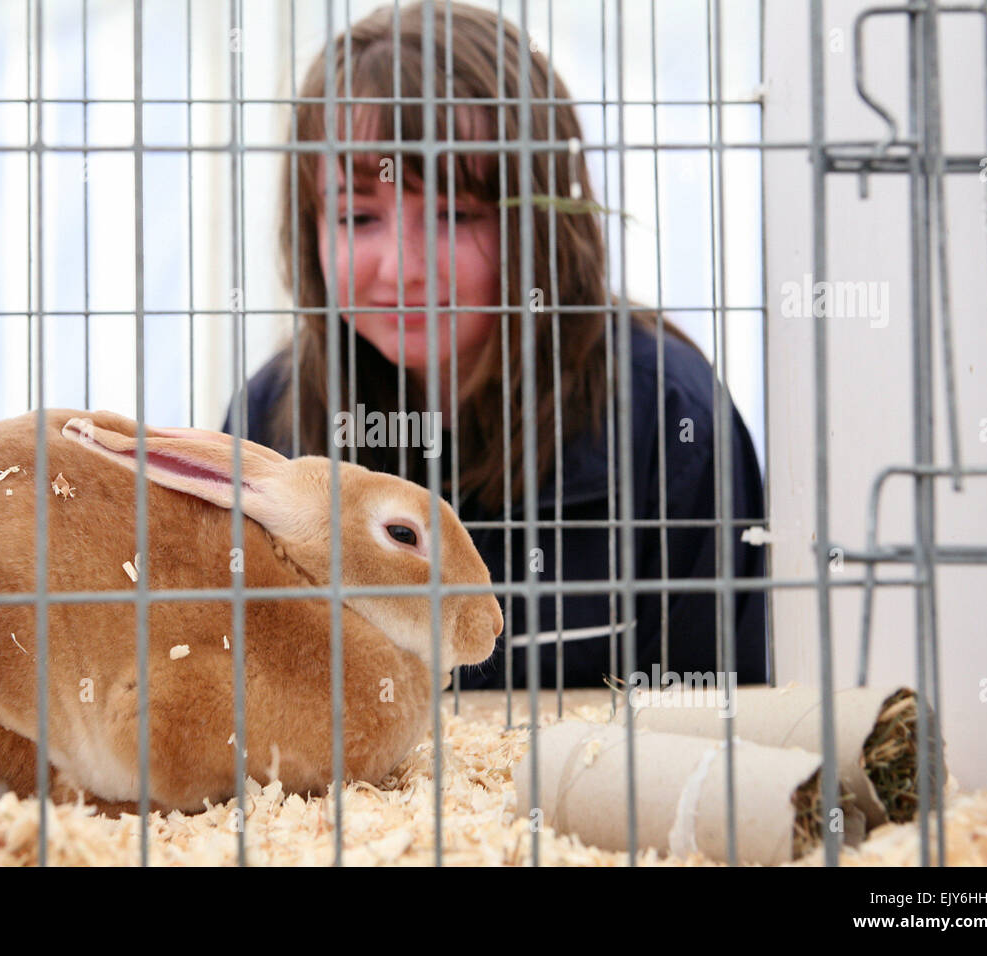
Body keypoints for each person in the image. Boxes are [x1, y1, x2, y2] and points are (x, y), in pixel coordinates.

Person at [223, 1, 767, 689]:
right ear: (310, 228)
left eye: (456, 215)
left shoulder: (672, 418)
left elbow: (728, 707)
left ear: (542, 223)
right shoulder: (271, 419)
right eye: (357, 215)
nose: (401, 268)